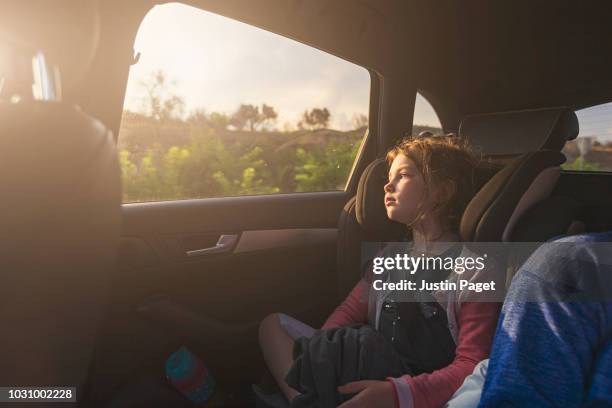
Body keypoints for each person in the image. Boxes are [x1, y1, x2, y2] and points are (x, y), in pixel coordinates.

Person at [258, 136, 502, 408]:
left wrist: (398, 394)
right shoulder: (387, 257)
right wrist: (323, 358)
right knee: (272, 326)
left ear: (441, 193)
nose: (387, 185)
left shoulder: (474, 271)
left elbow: (470, 363)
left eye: (404, 175)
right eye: (389, 177)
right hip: (368, 367)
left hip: (420, 390)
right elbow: (349, 312)